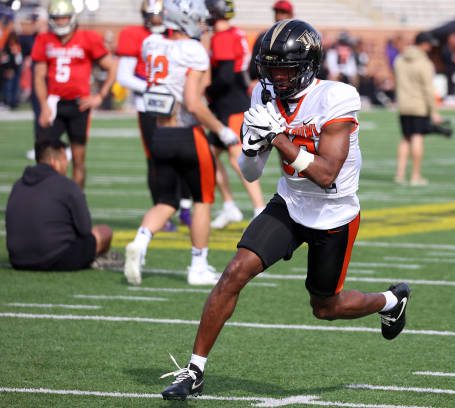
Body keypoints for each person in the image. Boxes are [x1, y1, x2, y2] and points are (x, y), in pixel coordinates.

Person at [160, 19, 411, 400]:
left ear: (307, 65)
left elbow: (326, 175)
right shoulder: (263, 96)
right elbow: (250, 171)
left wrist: (276, 136)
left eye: (284, 68)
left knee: (325, 307)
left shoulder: (337, 97)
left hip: (334, 214)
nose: (276, 77)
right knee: (233, 274)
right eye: (270, 67)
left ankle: (391, 301)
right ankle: (194, 370)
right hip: (289, 205)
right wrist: (251, 145)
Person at [123, 0, 238, 286]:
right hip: (187, 133)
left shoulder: (151, 43)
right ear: (185, 19)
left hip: (158, 133)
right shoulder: (192, 50)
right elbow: (193, 101)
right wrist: (222, 131)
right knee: (202, 200)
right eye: (199, 19)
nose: (203, 24)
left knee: (166, 201)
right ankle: (198, 266)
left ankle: (140, 241)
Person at [116, 0, 191, 231]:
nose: (157, 19)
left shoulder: (175, 34)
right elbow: (124, 76)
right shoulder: (135, 35)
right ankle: (161, 209)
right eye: (152, 14)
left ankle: (186, 208)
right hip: (148, 106)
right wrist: (154, 88)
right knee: (156, 160)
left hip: (177, 106)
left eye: (160, 14)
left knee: (185, 156)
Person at [31, 0, 117, 189]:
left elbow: (112, 66)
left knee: (78, 158)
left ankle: (75, 202)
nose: (61, 22)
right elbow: (39, 76)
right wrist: (44, 106)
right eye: (57, 18)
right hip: (54, 103)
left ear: (72, 18)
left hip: (79, 105)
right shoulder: (44, 39)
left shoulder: (88, 38)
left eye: (64, 18)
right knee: (44, 156)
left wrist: (100, 96)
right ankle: (45, 199)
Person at [204, 0, 266, 229]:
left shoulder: (223, 37)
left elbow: (226, 76)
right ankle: (230, 205)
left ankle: (259, 208)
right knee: (209, 155)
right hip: (224, 104)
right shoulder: (233, 33)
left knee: (235, 155)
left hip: (230, 104)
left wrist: (205, 90)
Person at [5, 139, 113, 271]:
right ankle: (95, 259)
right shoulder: (67, 186)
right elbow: (85, 230)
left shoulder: (18, 184)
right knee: (104, 231)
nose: (67, 163)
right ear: (55, 160)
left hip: (18, 259)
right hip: (58, 259)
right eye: (65, 158)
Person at [393, 31, 443, 187]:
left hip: (403, 105)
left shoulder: (399, 60)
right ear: (424, 44)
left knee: (405, 139)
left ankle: (399, 174)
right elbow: (429, 89)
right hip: (418, 106)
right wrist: (434, 111)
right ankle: (415, 176)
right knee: (417, 137)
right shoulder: (424, 63)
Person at [247, 0, 294, 88]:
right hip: (269, 83)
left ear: (291, 14)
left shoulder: (298, 37)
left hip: (294, 82)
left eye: (283, 12)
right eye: (277, 12)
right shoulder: (264, 37)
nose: (279, 16)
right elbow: (254, 67)